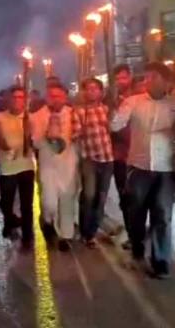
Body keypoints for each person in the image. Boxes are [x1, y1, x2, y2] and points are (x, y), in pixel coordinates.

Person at [111, 62, 175, 279]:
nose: (147, 81)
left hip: (166, 168)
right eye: (146, 77)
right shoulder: (133, 102)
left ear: (166, 81)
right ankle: (137, 245)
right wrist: (115, 109)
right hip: (138, 166)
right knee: (135, 210)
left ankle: (161, 260)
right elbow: (115, 125)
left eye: (153, 77)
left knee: (162, 214)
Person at [31, 83, 81, 251]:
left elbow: (78, 137)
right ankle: (47, 220)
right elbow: (35, 143)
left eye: (59, 96)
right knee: (49, 202)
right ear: (47, 97)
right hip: (48, 166)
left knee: (67, 201)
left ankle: (65, 236)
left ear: (65, 97)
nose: (56, 99)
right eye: (52, 96)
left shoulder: (73, 114)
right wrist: (48, 134)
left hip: (68, 165)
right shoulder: (37, 116)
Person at [75, 78, 113, 249]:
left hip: (107, 158)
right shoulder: (79, 111)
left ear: (101, 92)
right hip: (89, 159)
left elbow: (113, 129)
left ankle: (92, 232)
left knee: (101, 196)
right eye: (88, 89)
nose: (91, 91)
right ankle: (85, 231)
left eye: (95, 88)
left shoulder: (106, 110)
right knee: (89, 195)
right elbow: (75, 134)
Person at [0, 86, 35, 250]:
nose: (17, 100)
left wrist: (30, 134)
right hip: (7, 167)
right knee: (6, 202)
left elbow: (35, 141)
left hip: (26, 166)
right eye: (15, 97)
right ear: (9, 99)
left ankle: (27, 236)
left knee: (27, 205)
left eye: (21, 97)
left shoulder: (29, 118)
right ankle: (9, 224)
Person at [109, 64, 134, 248]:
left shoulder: (139, 97)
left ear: (130, 77)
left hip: (138, 155)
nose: (121, 82)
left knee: (137, 197)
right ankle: (131, 231)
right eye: (118, 79)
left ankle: (139, 230)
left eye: (124, 77)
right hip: (119, 155)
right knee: (124, 196)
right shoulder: (111, 100)